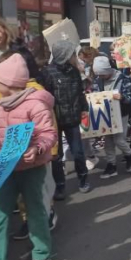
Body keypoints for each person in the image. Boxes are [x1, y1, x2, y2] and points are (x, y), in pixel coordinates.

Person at [0, 54, 56, 260]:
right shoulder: (2, 107)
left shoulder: (35, 104)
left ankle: (42, 254)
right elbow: (0, 137)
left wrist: (38, 149)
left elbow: (48, 134)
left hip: (32, 168)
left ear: (8, 83)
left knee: (35, 211)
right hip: (6, 168)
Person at [43, 40, 89, 195]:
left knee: (78, 152)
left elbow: (80, 92)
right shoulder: (48, 72)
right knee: (56, 155)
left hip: (73, 118)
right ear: (63, 55)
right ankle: (60, 186)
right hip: (54, 119)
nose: (74, 57)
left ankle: (83, 179)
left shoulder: (74, 71)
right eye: (71, 54)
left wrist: (84, 108)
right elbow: (44, 97)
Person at [92, 56, 131, 179]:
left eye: (102, 75)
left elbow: (130, 99)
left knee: (119, 139)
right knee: (108, 141)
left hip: (121, 113)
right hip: (105, 114)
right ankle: (111, 165)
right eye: (99, 75)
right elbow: (94, 94)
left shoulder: (123, 79)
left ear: (108, 71)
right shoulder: (98, 80)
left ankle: (130, 155)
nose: (100, 77)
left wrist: (122, 97)